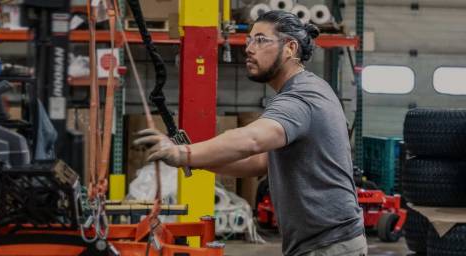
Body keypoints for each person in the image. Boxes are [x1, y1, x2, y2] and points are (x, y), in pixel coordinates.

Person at [134, 11, 366, 256]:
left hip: (331, 246)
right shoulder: (303, 91)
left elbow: (253, 140)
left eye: (261, 40)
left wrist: (184, 153)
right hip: (322, 243)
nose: (249, 48)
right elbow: (259, 162)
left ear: (290, 48)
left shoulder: (301, 97)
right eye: (248, 40)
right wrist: (199, 160)